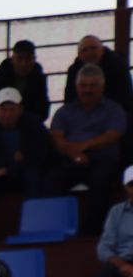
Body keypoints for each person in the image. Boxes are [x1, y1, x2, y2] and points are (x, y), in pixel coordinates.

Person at [48, 64, 127, 229]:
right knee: (53, 179)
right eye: (83, 86)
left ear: (102, 87)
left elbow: (113, 136)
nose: (88, 90)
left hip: (104, 160)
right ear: (76, 87)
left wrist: (83, 147)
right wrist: (73, 154)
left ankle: (93, 233)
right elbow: (57, 138)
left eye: (93, 85)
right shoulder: (64, 112)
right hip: (72, 159)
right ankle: (57, 229)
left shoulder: (114, 109)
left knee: (101, 180)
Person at [0, 87, 50, 231]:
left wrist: (6, 170)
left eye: (12, 109)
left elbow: (39, 157)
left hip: (21, 173)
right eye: (3, 109)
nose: (7, 114)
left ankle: (34, 228)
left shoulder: (34, 124)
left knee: (35, 177)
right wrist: (13, 160)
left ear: (20, 109)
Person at [0, 39, 51, 122]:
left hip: (28, 123)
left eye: (28, 59)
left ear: (34, 60)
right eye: (19, 58)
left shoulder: (39, 78)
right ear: (12, 59)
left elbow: (43, 109)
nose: (23, 63)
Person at [62, 33, 133, 112]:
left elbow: (126, 100)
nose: (89, 53)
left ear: (102, 50)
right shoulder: (74, 71)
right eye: (84, 50)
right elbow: (69, 101)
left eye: (93, 48)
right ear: (79, 55)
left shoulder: (118, 66)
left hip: (113, 114)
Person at [93, 166, 133, 277]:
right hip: (123, 262)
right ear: (125, 188)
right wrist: (122, 265)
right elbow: (104, 247)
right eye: (132, 185)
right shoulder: (116, 212)